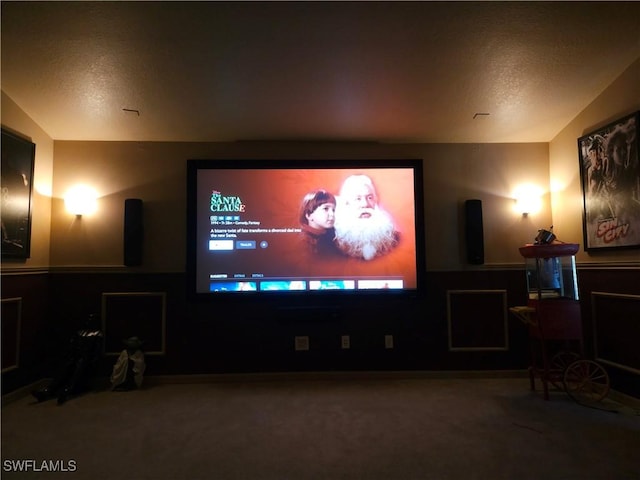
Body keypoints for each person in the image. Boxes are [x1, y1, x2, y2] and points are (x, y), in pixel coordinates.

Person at [31, 314, 104, 405]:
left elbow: (96, 350)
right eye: (88, 319)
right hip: (75, 356)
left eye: (91, 319)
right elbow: (72, 345)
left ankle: (67, 390)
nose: (89, 321)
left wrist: (94, 360)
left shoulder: (97, 334)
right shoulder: (80, 332)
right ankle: (48, 390)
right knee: (65, 368)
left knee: (79, 367)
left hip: (85, 358)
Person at [333, 174, 399, 260]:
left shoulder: (394, 238)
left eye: (370, 197)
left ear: (375, 201)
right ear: (347, 204)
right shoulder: (333, 243)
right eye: (358, 199)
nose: (365, 204)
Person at [298, 189, 342, 256]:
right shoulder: (304, 243)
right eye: (326, 209)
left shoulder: (332, 235)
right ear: (309, 215)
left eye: (333, 210)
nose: (332, 214)